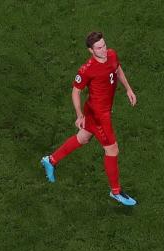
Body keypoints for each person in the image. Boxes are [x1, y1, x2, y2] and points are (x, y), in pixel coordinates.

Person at [40, 31, 138, 206]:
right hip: (99, 114)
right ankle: (115, 191)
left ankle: (50, 160)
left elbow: (117, 69)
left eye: (104, 45)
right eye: (99, 48)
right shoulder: (87, 69)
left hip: (100, 110)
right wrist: (79, 115)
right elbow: (76, 91)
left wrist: (128, 89)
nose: (104, 49)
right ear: (90, 50)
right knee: (112, 149)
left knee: (83, 138)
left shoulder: (112, 55)